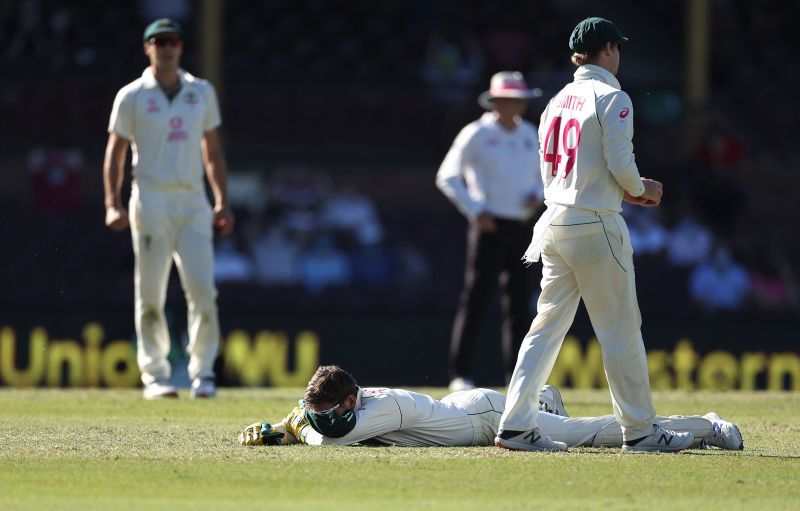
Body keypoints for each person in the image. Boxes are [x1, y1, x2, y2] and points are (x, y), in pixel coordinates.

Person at [494, 17, 688, 453]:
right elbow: (621, 162)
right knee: (620, 329)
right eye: (617, 48)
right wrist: (641, 189)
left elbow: (550, 167)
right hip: (596, 221)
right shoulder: (612, 96)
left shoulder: (556, 100)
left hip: (555, 221)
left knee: (543, 330)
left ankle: (515, 426)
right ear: (608, 50)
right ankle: (640, 431)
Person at [102, 18, 234, 399]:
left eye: (172, 41)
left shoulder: (201, 92)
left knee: (203, 291)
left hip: (193, 201)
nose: (166, 47)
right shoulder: (132, 96)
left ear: (181, 46)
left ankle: (204, 372)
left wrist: (221, 200)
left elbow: (212, 150)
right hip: (151, 198)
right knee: (150, 292)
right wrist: (112, 204)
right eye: (158, 42)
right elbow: (116, 152)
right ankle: (155, 375)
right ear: (148, 48)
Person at [239, 365, 743, 452]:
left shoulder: (381, 409)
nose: (325, 416)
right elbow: (317, 420)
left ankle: (707, 426)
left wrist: (294, 427)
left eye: (329, 410)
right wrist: (285, 427)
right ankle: (542, 398)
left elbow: (331, 440)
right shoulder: (347, 402)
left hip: (484, 419)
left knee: (590, 434)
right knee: (564, 422)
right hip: (464, 409)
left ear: (349, 401)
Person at [436, 71, 544, 392]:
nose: (516, 106)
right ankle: (461, 374)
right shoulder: (476, 133)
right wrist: (475, 210)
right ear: (496, 102)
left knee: (519, 303)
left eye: (520, 100)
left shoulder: (529, 133)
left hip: (522, 227)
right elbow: (447, 176)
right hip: (488, 227)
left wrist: (536, 195)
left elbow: (543, 176)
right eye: (509, 100)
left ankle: (517, 379)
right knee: (477, 300)